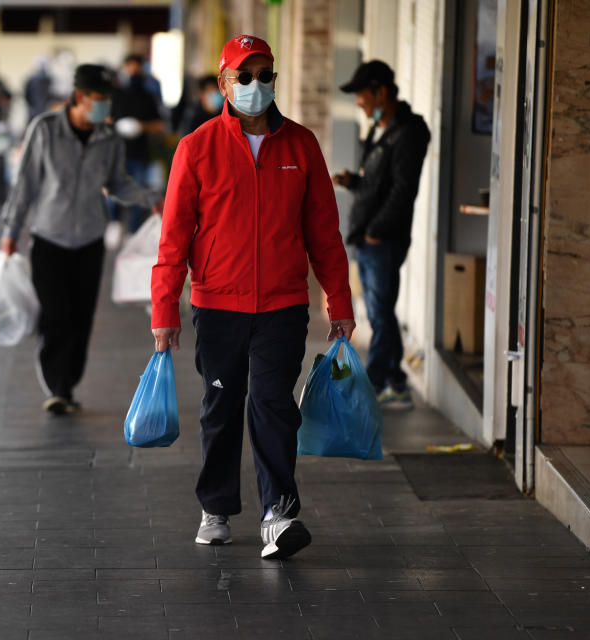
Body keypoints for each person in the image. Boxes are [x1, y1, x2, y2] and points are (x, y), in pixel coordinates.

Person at [151, 35, 355, 560]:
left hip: (283, 306)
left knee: (272, 405)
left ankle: (278, 514)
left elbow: (324, 234)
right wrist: (164, 308)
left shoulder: (302, 146)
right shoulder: (197, 147)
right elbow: (173, 236)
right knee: (220, 405)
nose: (256, 85)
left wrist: (340, 302)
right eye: (244, 76)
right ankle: (216, 507)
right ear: (223, 83)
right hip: (218, 305)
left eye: (265, 74)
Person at [0, 64, 161, 416]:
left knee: (81, 319)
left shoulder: (110, 139)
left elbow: (117, 183)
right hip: (48, 237)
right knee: (56, 315)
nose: (103, 106)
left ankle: (68, 384)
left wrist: (152, 199)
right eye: (97, 99)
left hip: (89, 239)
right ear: (78, 96)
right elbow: (25, 183)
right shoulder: (45, 129)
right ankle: (57, 385)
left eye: (107, 100)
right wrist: (11, 231)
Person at [333, 61, 430, 411]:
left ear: (381, 92)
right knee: (379, 312)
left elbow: (403, 191)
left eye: (361, 94)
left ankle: (372, 384)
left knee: (380, 313)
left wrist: (376, 231)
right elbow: (378, 185)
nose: (358, 101)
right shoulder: (381, 130)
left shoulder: (409, 132)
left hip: (383, 240)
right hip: (369, 237)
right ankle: (396, 382)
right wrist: (353, 182)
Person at [110, 54, 165, 235]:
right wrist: (116, 126)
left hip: (139, 153)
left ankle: (134, 230)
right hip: (116, 153)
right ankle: (114, 223)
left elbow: (159, 124)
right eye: (129, 67)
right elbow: (105, 119)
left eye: (136, 67)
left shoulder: (148, 96)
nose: (132, 71)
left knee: (139, 192)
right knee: (113, 191)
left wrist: (141, 126)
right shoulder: (115, 95)